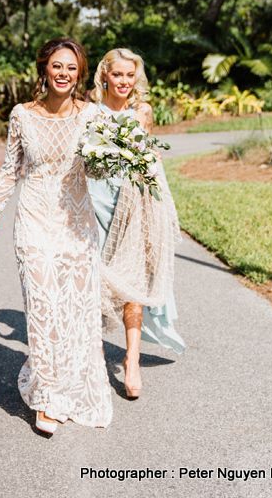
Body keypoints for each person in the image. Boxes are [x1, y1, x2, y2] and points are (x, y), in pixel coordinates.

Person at [0, 38, 115, 435]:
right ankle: (47, 398)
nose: (64, 74)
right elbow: (10, 170)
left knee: (75, 311)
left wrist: (106, 160)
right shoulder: (22, 115)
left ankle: (73, 387)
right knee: (42, 307)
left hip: (77, 224)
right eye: (57, 66)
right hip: (34, 222)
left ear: (80, 73)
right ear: (44, 69)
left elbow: (97, 174)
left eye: (71, 68)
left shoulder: (93, 114)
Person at [86, 48, 185, 399]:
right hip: (95, 198)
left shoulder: (142, 112)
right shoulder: (89, 110)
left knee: (135, 277)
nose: (124, 82)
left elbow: (150, 156)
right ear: (105, 76)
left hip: (134, 198)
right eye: (118, 75)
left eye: (130, 76)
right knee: (93, 276)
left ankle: (132, 359)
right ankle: (95, 355)